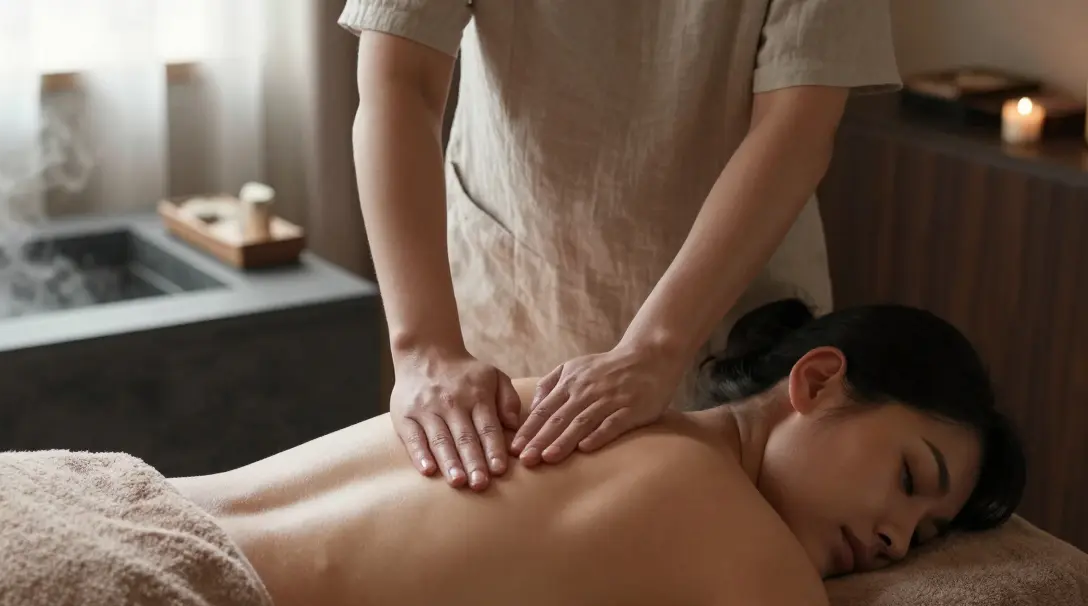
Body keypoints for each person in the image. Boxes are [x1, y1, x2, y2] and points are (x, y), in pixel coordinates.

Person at [170, 300, 1025, 606]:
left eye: (923, 537)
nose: (893, 540)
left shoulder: (559, 395)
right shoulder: (774, 599)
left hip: (109, 499)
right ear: (817, 381)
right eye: (912, 479)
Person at [339, 0, 904, 490]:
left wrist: (654, 350)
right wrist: (424, 347)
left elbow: (795, 127)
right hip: (514, 295)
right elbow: (400, 83)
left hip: (732, 318)